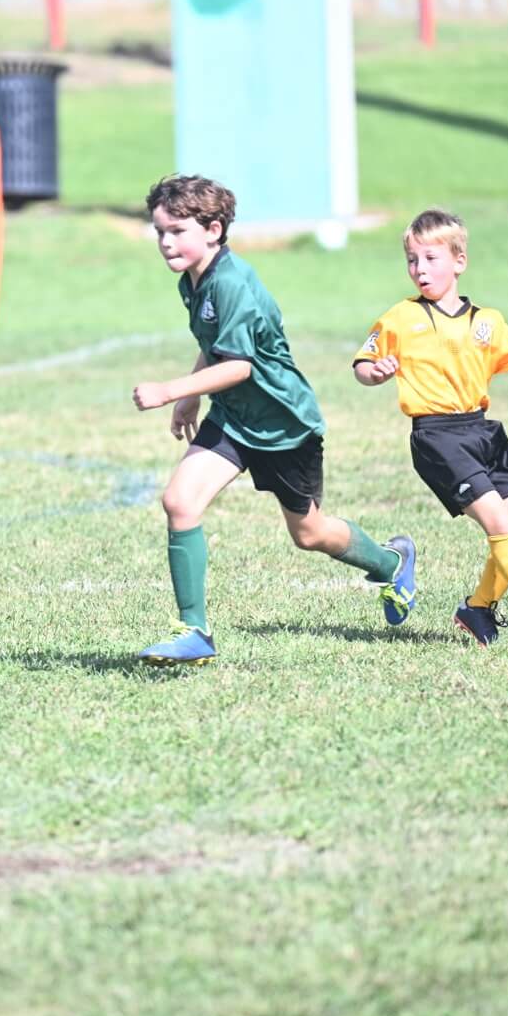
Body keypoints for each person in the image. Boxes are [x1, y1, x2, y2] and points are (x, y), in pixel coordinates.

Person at [130, 174, 417, 666]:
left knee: (309, 535)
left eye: (176, 230)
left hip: (284, 426)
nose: (166, 242)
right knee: (179, 501)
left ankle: (392, 563)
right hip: (234, 417)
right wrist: (192, 399)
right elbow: (215, 345)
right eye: (160, 231)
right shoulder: (194, 280)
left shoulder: (232, 282)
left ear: (214, 230)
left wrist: (171, 390)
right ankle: (194, 631)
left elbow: (240, 365)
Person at [355, 209, 508, 650]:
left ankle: (477, 608)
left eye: (430, 259)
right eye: (412, 260)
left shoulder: (486, 320)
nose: (420, 269)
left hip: (483, 433)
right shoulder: (400, 317)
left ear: (459, 261)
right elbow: (363, 365)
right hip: (436, 437)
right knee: (500, 526)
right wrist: (376, 372)